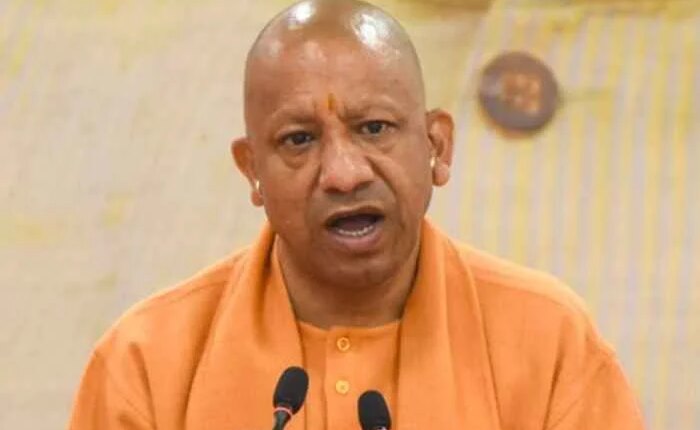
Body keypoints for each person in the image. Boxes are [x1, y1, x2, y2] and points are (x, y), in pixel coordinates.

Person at [69, 0, 645, 429]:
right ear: (252, 171)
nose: (343, 174)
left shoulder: (548, 344)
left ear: (437, 146)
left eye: (374, 128)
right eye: (299, 139)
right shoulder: (148, 364)